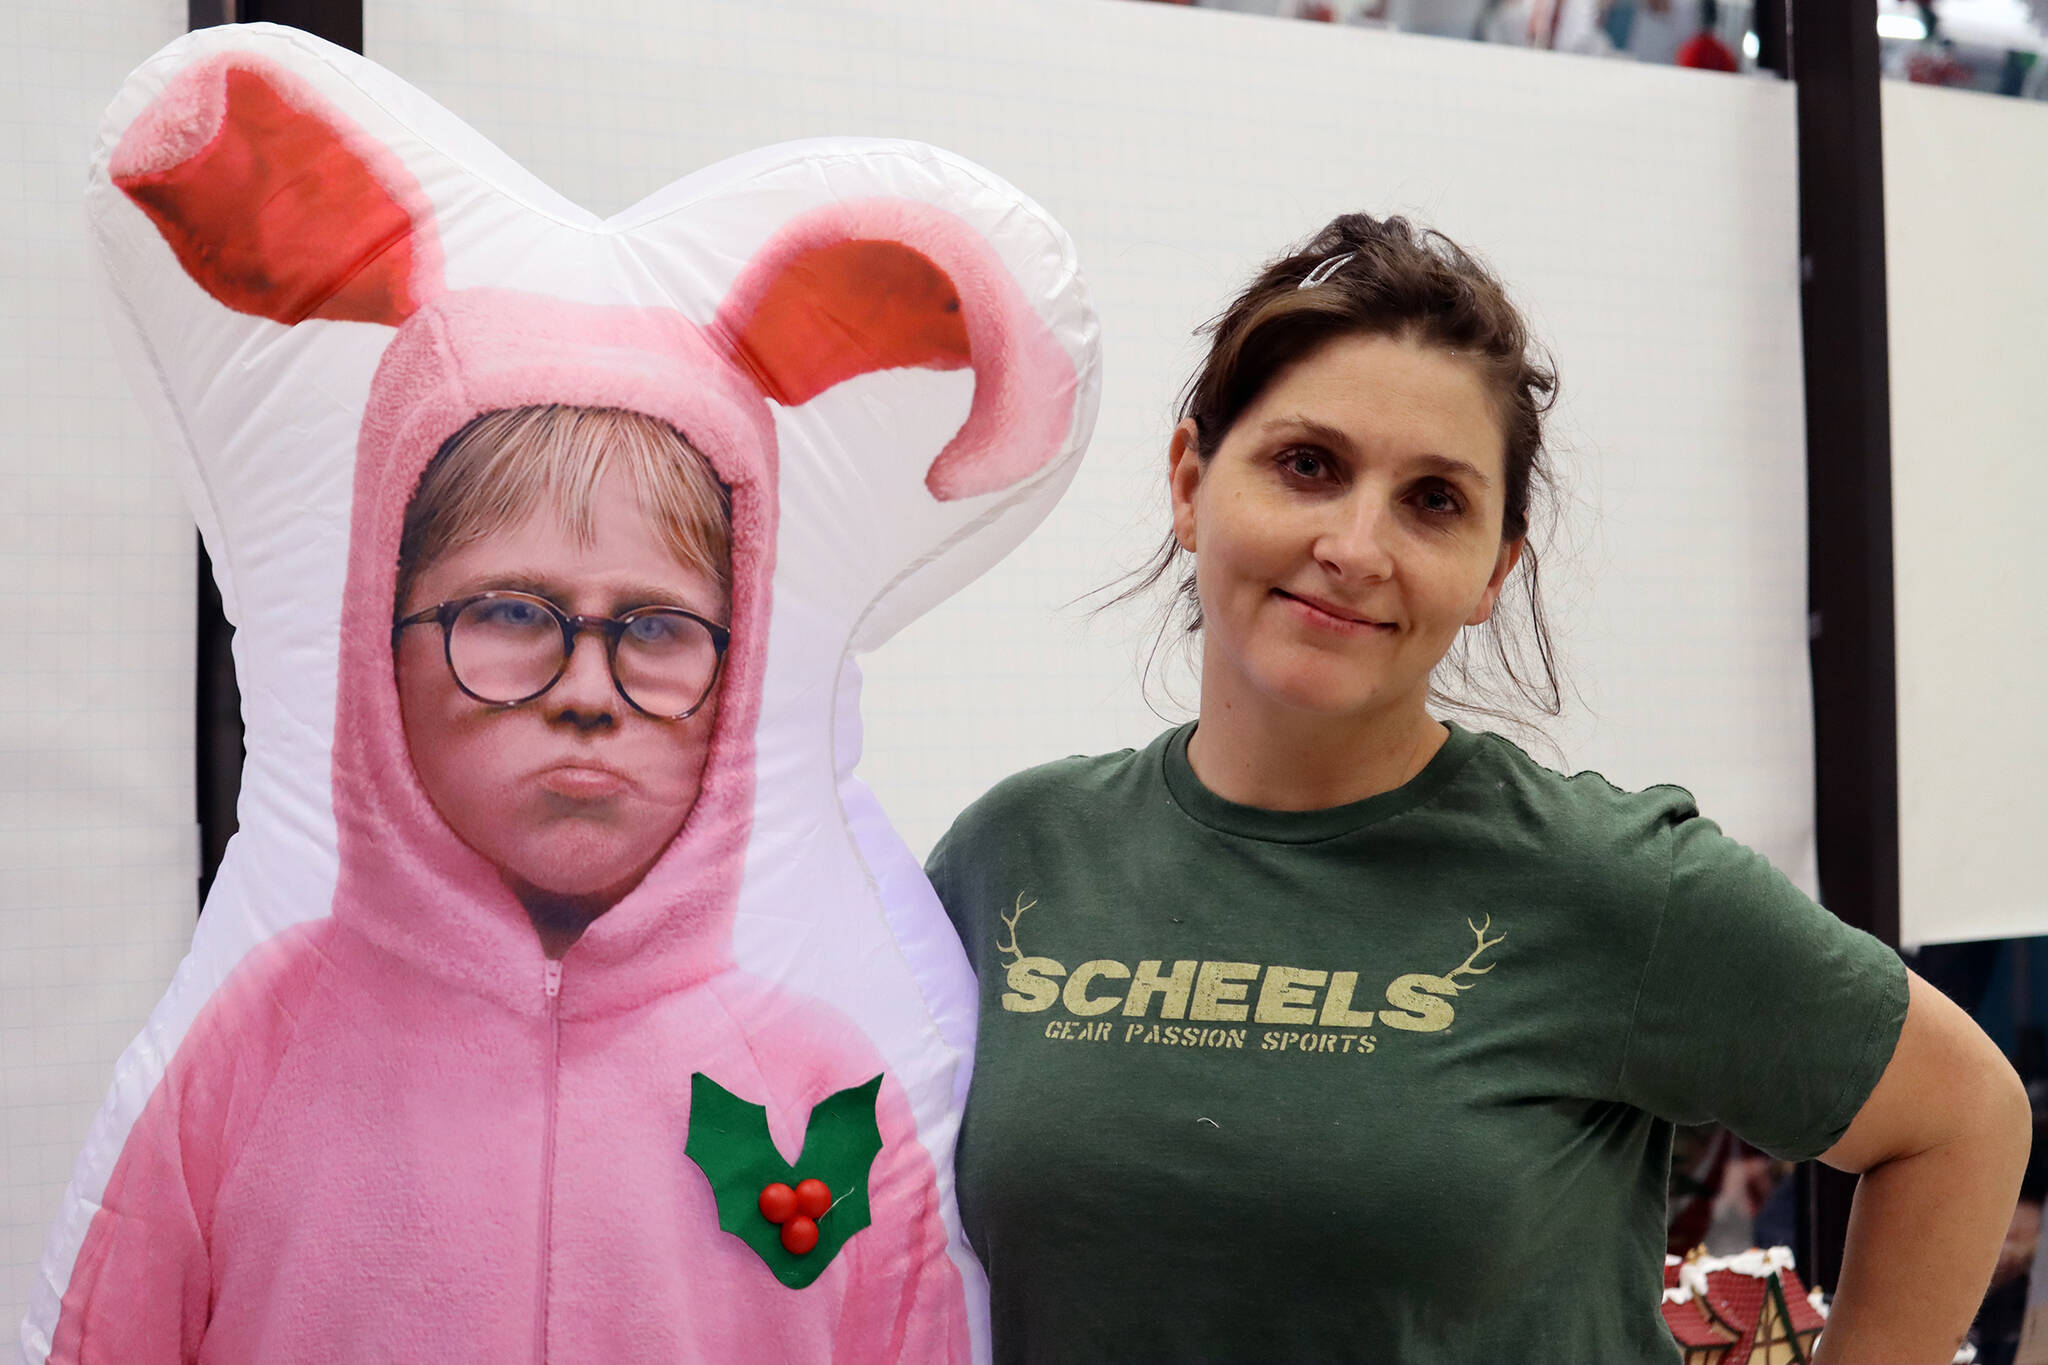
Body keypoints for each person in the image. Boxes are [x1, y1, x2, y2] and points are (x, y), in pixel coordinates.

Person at [925, 213, 2029, 1364]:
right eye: (1307, 465)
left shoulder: (1612, 887)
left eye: (1433, 501)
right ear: (1189, 481)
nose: (1355, 546)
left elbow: (1962, 1121)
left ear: (1493, 571)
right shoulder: (1015, 856)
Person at [52, 304, 967, 1362]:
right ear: (379, 645)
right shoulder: (258, 1047)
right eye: (513, 614)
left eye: (658, 628)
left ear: (741, 671)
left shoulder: (821, 1085)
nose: (586, 693)